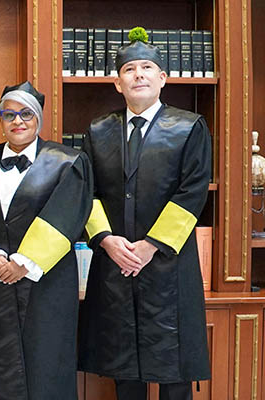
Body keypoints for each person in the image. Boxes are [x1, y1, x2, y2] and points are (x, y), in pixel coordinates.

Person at [77, 27, 212, 400]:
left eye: (147, 67)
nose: (138, 75)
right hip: (116, 263)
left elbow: (193, 191)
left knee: (174, 370)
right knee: (124, 369)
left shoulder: (189, 127)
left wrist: (151, 245)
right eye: (129, 69)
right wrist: (106, 240)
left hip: (169, 264)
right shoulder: (98, 131)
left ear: (162, 78)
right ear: (117, 83)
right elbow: (87, 192)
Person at [0, 81, 92, 400]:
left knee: (47, 364)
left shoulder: (68, 161)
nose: (17, 121)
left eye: (26, 113)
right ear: (0, 120)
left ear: (38, 118)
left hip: (47, 284)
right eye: (9, 114)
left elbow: (67, 215)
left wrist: (23, 262)